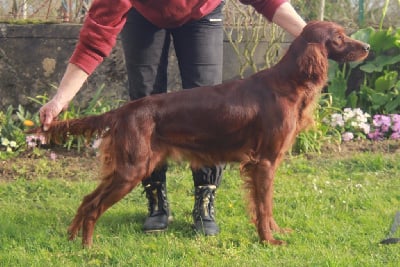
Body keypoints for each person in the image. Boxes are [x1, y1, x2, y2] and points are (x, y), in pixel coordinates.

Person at [38, 0, 306, 236]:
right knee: (144, 105)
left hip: (202, 11)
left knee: (212, 109)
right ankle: (155, 199)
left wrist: (311, 36)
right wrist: (60, 99)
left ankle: (205, 198)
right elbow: (95, 37)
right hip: (143, 15)